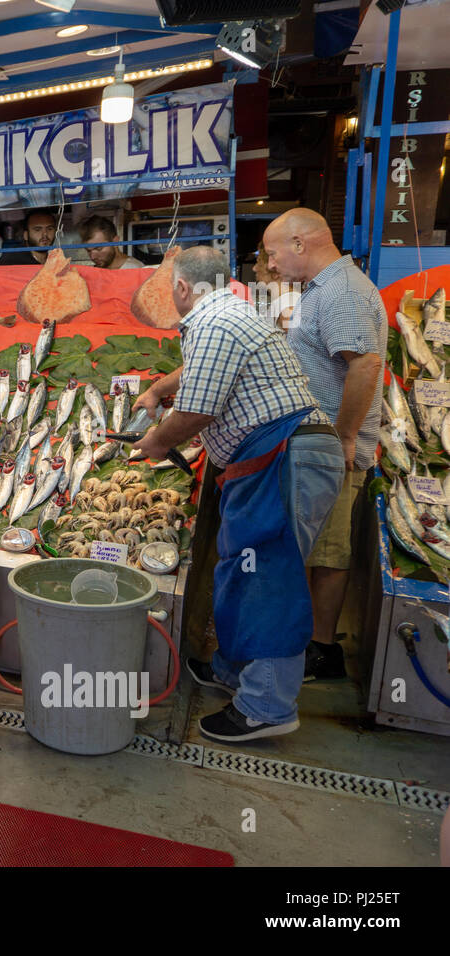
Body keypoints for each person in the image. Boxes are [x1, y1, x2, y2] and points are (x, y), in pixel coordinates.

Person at [133, 246, 344, 743]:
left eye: (170, 289)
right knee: (243, 566)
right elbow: (202, 374)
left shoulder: (215, 322)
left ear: (183, 288)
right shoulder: (229, 313)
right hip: (269, 459)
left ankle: (267, 706)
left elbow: (200, 410)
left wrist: (157, 441)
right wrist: (160, 390)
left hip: (285, 456)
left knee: (268, 576)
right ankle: (235, 672)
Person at [263, 208, 387, 681]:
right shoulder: (321, 290)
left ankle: (321, 649)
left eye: (274, 253)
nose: (272, 265)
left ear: (300, 244)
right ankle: (306, 638)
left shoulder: (342, 291)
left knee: (329, 552)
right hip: (315, 445)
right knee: (314, 550)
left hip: (333, 451)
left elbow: (365, 366)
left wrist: (347, 436)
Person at [251, 241, 298, 329]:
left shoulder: (287, 304)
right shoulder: (284, 301)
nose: (254, 268)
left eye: (258, 263)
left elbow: (298, 342)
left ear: (276, 272)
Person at [79, 215, 144, 270]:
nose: (93, 257)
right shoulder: (96, 271)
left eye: (99, 249)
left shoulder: (134, 269)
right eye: (88, 251)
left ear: (115, 242)